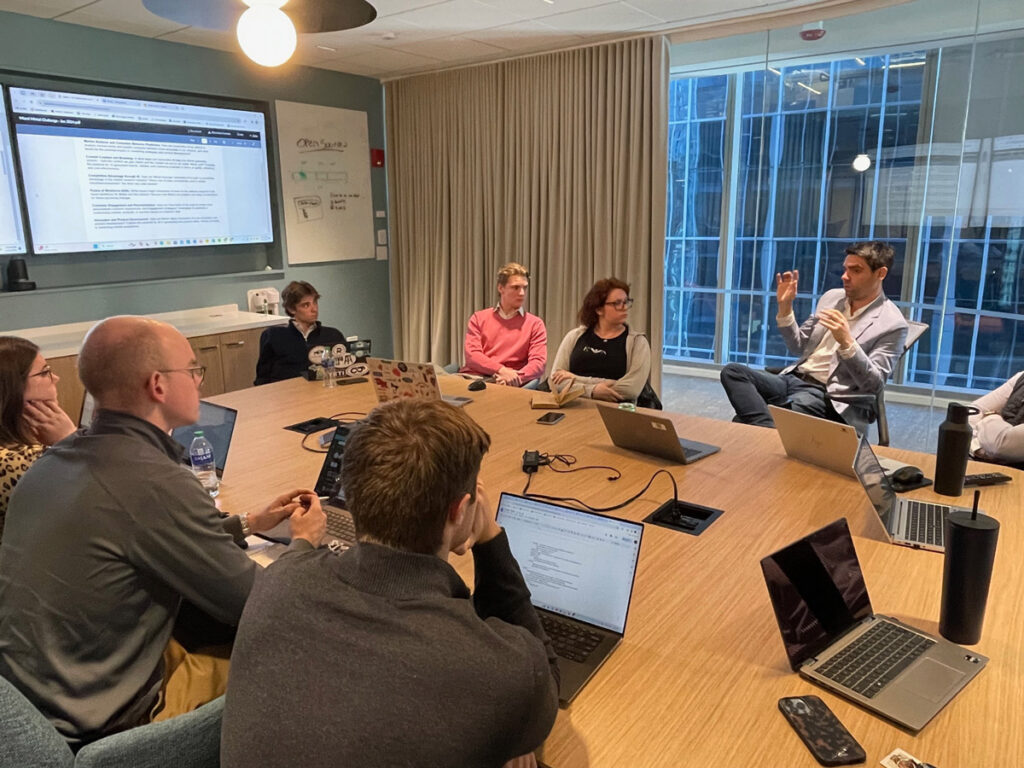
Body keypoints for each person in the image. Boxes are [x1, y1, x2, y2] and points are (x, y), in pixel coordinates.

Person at [0, 316, 326, 748]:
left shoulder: (52, 461)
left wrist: (248, 523)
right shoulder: (153, 480)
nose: (199, 382)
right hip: (106, 718)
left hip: (39, 694)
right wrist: (303, 544)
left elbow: (144, 535)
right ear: (158, 386)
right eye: (192, 370)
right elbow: (264, 605)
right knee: (308, 649)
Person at [221, 398, 559, 768]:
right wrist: (489, 536)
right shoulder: (502, 672)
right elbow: (545, 679)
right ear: (461, 510)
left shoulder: (279, 580)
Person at [720, 241, 908, 435]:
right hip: (792, 379)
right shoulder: (832, 298)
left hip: (828, 395)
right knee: (732, 372)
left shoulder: (892, 324)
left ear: (880, 273)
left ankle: (764, 430)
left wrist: (847, 342)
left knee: (743, 419)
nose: (845, 276)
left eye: (856, 270)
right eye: (845, 269)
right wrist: (785, 308)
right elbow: (798, 346)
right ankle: (769, 432)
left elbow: (873, 385)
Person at [0, 336, 76, 541]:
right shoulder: (24, 462)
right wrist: (70, 441)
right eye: (45, 372)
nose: (56, 378)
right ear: (12, 390)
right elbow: (103, 505)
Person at [549, 277, 652, 402]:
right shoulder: (574, 336)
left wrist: (574, 378)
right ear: (599, 309)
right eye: (617, 303)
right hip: (572, 408)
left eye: (626, 302)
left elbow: (631, 390)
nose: (624, 307)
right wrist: (592, 391)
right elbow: (555, 382)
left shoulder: (638, 343)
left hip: (615, 412)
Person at [460, 262, 547, 387]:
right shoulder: (478, 318)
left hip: (508, 384)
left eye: (525, 288)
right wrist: (501, 370)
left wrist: (513, 378)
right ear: (501, 288)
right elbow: (472, 356)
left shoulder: (535, 324)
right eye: (516, 287)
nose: (522, 293)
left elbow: (538, 363)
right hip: (474, 378)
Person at [254, 280, 348, 385]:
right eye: (306, 305)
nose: (314, 309)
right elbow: (262, 378)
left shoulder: (332, 335)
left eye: (315, 302)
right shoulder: (273, 336)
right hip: (285, 394)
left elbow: (345, 371)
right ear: (291, 309)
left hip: (322, 392)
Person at [969, 371, 1024, 464]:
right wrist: (977, 448)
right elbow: (970, 411)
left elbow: (1002, 445)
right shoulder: (1021, 377)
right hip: (984, 466)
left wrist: (990, 416)